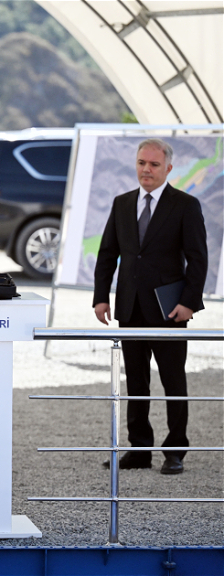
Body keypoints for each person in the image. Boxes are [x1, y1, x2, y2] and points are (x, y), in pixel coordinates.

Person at [93, 138, 207, 475]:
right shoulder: (122, 203)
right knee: (136, 384)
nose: (146, 169)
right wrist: (101, 297)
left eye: (154, 165)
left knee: (174, 382)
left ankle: (175, 452)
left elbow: (198, 259)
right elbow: (106, 254)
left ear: (168, 168)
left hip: (169, 311)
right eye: (142, 162)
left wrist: (189, 302)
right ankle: (139, 450)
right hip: (129, 308)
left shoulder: (185, 205)